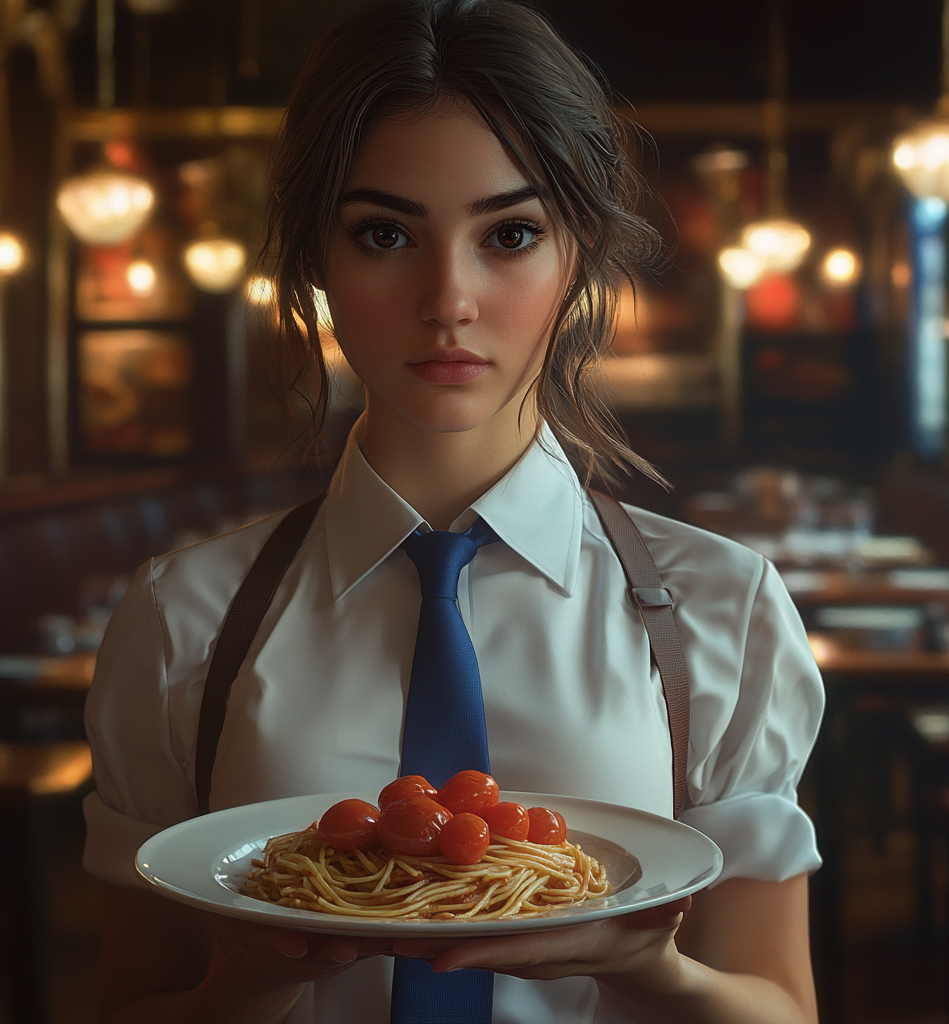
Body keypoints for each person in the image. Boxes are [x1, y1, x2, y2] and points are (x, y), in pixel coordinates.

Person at [83, 2, 824, 1022]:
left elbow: (781, 1005)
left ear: (581, 257)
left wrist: (648, 968)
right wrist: (245, 984)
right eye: (383, 233)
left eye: (509, 233)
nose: (448, 296)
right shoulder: (183, 618)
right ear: (313, 258)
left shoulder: (717, 611)